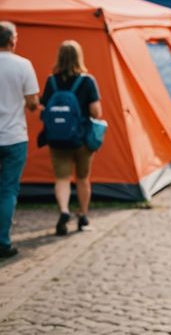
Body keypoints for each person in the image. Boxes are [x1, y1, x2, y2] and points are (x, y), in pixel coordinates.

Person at [39, 41, 101, 236]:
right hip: (82, 138)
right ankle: (83, 216)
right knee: (83, 178)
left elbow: (43, 108)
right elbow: (96, 111)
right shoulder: (87, 81)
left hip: (58, 139)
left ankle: (64, 210)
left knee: (62, 178)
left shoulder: (52, 81)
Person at [0, 22, 40, 259]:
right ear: (12, 41)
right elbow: (32, 102)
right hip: (14, 136)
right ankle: (3, 242)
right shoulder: (23, 65)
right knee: (8, 190)